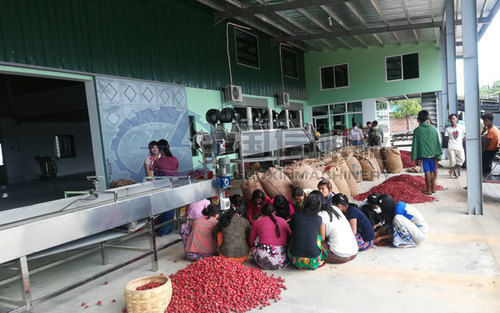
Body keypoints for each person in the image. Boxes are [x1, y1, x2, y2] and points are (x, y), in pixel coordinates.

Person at [314, 190, 358, 264]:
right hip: (354, 252)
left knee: (314, 243)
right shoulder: (335, 208)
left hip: (340, 256)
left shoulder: (320, 215)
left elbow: (322, 238)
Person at [288, 192, 327, 270]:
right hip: (314, 260)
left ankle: (300, 264)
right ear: (318, 207)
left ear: (305, 203)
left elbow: (292, 230)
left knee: (294, 234)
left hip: (295, 260)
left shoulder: (295, 216)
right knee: (318, 236)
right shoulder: (318, 219)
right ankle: (311, 264)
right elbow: (322, 238)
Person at [249, 203, 291, 270]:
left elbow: (251, 240)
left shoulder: (257, 222)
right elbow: (290, 236)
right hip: (282, 260)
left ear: (262, 213)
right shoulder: (283, 221)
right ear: (274, 212)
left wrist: (252, 248)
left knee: (258, 237)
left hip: (263, 261)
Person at [411, 110, 443, 195]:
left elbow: (415, 144)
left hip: (424, 155)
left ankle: (428, 190)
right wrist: (438, 155)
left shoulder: (417, 131)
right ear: (427, 118)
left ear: (418, 120)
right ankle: (432, 189)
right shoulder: (433, 129)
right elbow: (437, 142)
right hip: (433, 154)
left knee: (427, 172)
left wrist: (415, 156)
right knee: (432, 171)